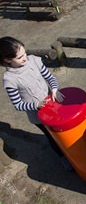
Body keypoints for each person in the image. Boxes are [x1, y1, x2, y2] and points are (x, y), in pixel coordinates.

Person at [0, 36, 72, 170]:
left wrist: (55, 89)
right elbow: (18, 104)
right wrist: (36, 105)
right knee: (53, 136)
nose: (25, 58)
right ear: (7, 60)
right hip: (39, 116)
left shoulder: (33, 60)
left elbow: (50, 77)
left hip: (53, 105)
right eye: (20, 57)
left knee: (64, 130)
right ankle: (63, 157)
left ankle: (72, 152)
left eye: (24, 53)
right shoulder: (10, 79)